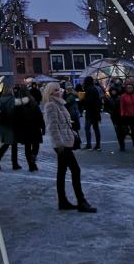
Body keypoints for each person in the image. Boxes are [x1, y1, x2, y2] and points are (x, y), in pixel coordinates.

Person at [43, 82, 96, 213]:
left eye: (58, 89)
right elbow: (53, 128)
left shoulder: (60, 104)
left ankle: (63, 201)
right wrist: (59, 144)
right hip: (62, 144)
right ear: (49, 93)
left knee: (61, 172)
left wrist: (72, 134)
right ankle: (81, 201)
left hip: (66, 141)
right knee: (75, 170)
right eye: (54, 90)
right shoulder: (51, 105)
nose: (58, 91)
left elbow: (66, 124)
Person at [13, 84, 45, 171]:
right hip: (34, 127)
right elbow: (39, 115)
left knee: (27, 146)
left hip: (24, 128)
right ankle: (33, 158)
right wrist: (42, 126)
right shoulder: (32, 100)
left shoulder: (18, 102)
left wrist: (17, 129)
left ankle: (31, 165)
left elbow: (16, 117)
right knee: (36, 145)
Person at [0, 88, 19, 170]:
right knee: (12, 143)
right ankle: (12, 163)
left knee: (8, 142)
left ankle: (13, 163)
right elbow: (15, 111)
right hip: (11, 124)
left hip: (3, 124)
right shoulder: (13, 100)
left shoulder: (0, 100)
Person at [82, 76, 101, 150]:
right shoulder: (94, 89)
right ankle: (97, 145)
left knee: (87, 128)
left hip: (90, 112)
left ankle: (89, 144)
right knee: (96, 128)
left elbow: (89, 101)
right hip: (95, 112)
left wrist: (83, 100)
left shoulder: (89, 90)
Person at [104, 85, 126, 150]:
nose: (113, 92)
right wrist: (110, 111)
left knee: (123, 130)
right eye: (112, 91)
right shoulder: (109, 99)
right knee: (118, 131)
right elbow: (106, 108)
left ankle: (122, 141)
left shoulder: (120, 98)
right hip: (114, 117)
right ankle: (121, 144)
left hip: (122, 116)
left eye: (114, 91)